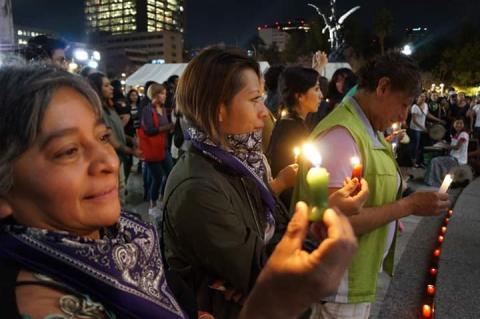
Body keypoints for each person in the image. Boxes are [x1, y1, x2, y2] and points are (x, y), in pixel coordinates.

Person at [0, 63, 359, 319]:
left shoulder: (126, 237)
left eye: (103, 137)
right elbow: (254, 271)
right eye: (67, 151)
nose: (107, 161)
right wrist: (271, 303)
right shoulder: (41, 302)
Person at [162, 48, 368, 318]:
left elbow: (274, 233)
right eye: (255, 100)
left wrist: (248, 278)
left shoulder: (241, 162)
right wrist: (324, 214)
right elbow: (268, 276)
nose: (264, 112)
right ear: (218, 109)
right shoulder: (198, 188)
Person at [292, 52, 450, 319]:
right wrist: (406, 206)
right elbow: (336, 221)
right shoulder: (342, 135)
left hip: (351, 281)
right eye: (403, 104)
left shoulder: (366, 128)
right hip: (336, 289)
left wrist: (388, 216)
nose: (402, 115)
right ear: (383, 87)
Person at [267, 66, 322, 208]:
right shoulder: (291, 130)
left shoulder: (292, 122)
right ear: (300, 96)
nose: (321, 95)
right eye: (316, 89)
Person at [87, 72, 141, 203]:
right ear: (96, 88)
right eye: (106, 85)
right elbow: (113, 142)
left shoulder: (109, 108)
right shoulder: (97, 112)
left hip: (119, 159)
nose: (111, 88)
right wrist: (134, 152)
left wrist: (130, 139)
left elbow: (118, 132)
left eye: (110, 85)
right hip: (111, 160)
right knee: (116, 196)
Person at [138, 83, 174, 217]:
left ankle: (160, 198)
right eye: (162, 93)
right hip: (152, 150)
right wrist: (167, 127)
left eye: (165, 93)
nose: (165, 96)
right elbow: (149, 130)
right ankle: (152, 204)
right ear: (154, 95)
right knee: (157, 177)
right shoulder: (148, 110)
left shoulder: (163, 109)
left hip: (164, 148)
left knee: (170, 174)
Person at [425, 117, 470, 186]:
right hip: (452, 157)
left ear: (464, 125)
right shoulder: (456, 134)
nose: (458, 125)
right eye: (457, 123)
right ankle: (436, 181)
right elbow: (452, 146)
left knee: (435, 161)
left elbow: (457, 147)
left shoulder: (464, 134)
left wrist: (444, 146)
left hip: (457, 160)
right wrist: (443, 143)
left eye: (461, 123)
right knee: (436, 160)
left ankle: (436, 182)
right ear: (453, 124)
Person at [409, 92, 445, 167]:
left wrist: (438, 120)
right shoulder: (414, 107)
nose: (423, 98)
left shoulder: (425, 105)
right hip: (415, 129)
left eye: (424, 96)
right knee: (415, 145)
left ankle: (420, 161)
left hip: (422, 129)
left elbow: (427, 114)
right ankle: (413, 162)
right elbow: (414, 120)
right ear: (417, 98)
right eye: (421, 96)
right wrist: (423, 128)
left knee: (422, 146)